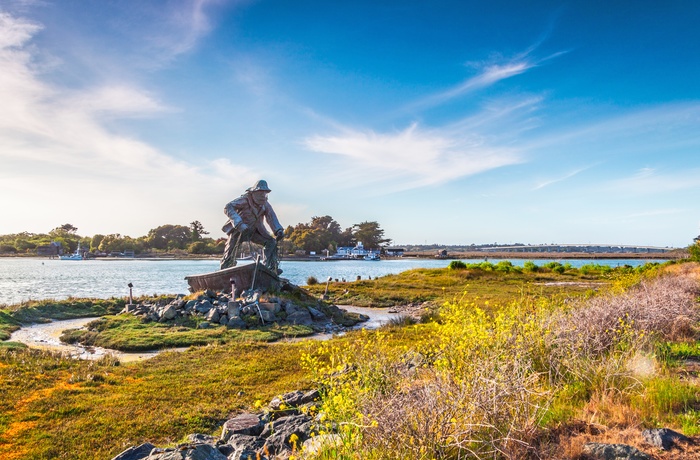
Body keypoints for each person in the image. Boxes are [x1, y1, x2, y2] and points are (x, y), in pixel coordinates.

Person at [220, 180, 284, 273]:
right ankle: (225, 270)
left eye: (264, 193)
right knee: (230, 250)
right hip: (238, 230)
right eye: (260, 193)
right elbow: (228, 207)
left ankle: (269, 269)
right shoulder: (245, 200)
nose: (263, 195)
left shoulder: (265, 203)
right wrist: (239, 223)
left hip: (255, 231)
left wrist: (278, 230)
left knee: (271, 242)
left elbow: (271, 216)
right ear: (254, 192)